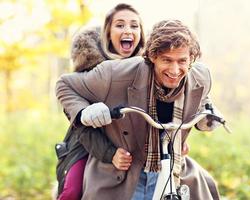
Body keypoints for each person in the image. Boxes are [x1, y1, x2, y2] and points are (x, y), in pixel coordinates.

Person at [56, 19, 223, 199]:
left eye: (182, 61)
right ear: (152, 56)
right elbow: (65, 85)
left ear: (191, 59)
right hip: (122, 171)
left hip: (171, 165)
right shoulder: (115, 73)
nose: (175, 70)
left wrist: (208, 114)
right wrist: (84, 112)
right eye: (167, 60)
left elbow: (203, 99)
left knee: (206, 190)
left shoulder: (201, 77)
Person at [55, 3, 145, 200]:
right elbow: (81, 125)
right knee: (72, 191)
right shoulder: (92, 71)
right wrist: (110, 153)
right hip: (90, 144)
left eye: (134, 26)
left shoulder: (147, 69)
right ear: (108, 33)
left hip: (136, 147)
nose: (128, 30)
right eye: (120, 25)